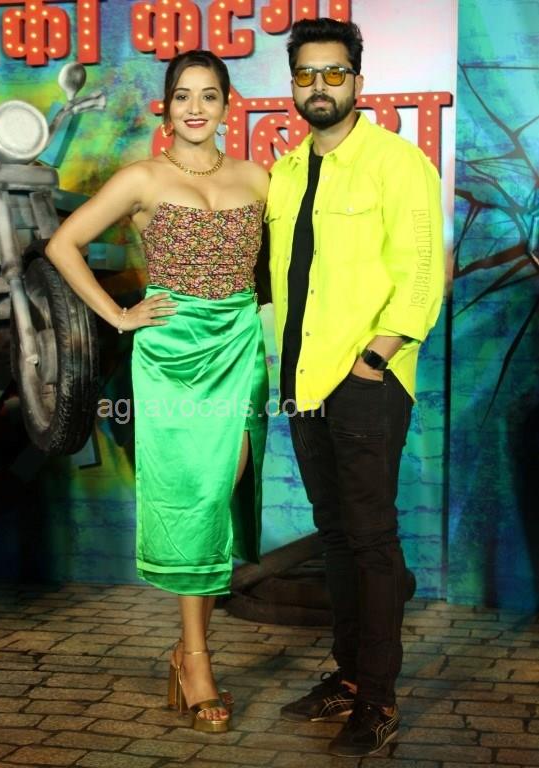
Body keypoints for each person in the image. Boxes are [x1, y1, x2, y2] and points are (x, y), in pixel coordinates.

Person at [45, 50, 269, 734]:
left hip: (237, 347)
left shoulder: (258, 179)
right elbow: (62, 245)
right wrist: (118, 316)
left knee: (217, 490)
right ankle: (195, 659)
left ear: (227, 104)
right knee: (193, 496)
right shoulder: (141, 177)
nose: (195, 108)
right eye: (183, 96)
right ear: (166, 107)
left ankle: (186, 651)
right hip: (172, 356)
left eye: (208, 95)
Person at [266, 18, 444, 757]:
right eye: (306, 74)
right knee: (335, 535)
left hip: (365, 381)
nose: (320, 86)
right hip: (302, 380)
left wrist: (375, 358)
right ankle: (346, 677)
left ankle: (377, 699)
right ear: (293, 85)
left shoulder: (397, 164)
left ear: (358, 83)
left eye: (333, 73)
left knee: (369, 539)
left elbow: (423, 272)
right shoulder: (283, 173)